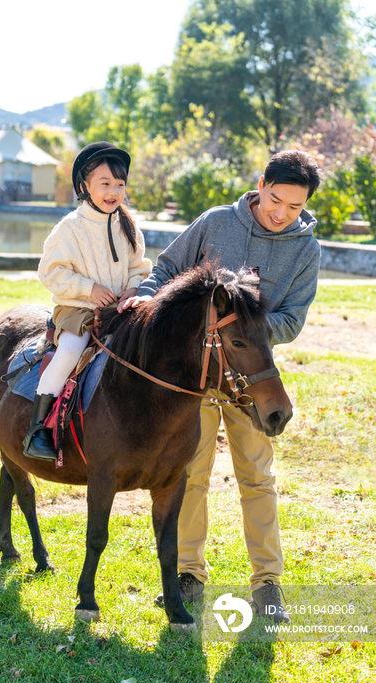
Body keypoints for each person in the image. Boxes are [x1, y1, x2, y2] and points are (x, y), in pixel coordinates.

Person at [119, 149, 322, 622]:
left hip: (249, 376)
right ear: (261, 184)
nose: (281, 213)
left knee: (257, 476)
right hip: (194, 376)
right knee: (190, 473)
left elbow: (293, 319)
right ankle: (189, 574)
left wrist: (243, 332)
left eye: (294, 207)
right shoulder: (215, 222)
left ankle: (268, 585)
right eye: (275, 200)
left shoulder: (306, 250)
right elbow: (167, 270)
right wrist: (146, 300)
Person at [23, 142, 152, 461]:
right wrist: (89, 288)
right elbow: (50, 272)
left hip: (120, 309)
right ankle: (39, 428)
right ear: (84, 186)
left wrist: (133, 289)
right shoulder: (69, 229)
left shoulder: (129, 225)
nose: (114, 191)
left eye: (120, 184)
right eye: (105, 184)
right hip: (78, 310)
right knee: (68, 351)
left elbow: (139, 267)